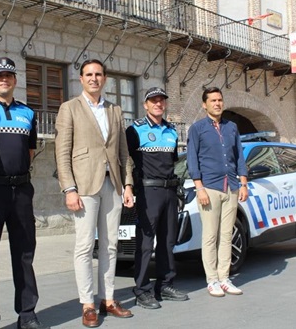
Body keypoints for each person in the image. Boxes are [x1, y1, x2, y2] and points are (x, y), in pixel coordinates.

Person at [55, 59, 135, 328]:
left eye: (98, 74)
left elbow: (123, 152)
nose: (94, 78)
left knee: (110, 244)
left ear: (105, 79)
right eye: (89, 74)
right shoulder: (70, 109)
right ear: (81, 79)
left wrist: (128, 184)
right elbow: (62, 153)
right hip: (84, 186)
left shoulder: (115, 110)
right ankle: (88, 304)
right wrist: (69, 189)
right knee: (85, 246)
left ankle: (108, 299)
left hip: (112, 184)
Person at [0, 57, 48, 329]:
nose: (4, 79)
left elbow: (29, 151)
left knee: (25, 254)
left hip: (21, 191)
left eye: (9, 75)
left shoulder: (28, 113)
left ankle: (27, 314)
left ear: (15, 81)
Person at [126, 87, 189, 309]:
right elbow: (126, 160)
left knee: (168, 239)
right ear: (145, 104)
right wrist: (128, 187)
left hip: (169, 191)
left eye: (161, 100)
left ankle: (165, 285)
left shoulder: (172, 131)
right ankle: (142, 290)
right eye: (153, 100)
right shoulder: (135, 130)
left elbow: (172, 162)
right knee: (145, 242)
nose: (158, 104)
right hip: (148, 191)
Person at [186, 86, 248, 297]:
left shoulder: (232, 127)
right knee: (210, 236)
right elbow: (192, 159)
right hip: (209, 188)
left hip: (230, 187)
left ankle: (224, 278)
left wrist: (243, 183)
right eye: (212, 100)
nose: (217, 103)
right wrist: (199, 187)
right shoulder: (197, 128)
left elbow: (239, 154)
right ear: (205, 104)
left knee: (227, 235)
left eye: (220, 100)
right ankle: (211, 280)